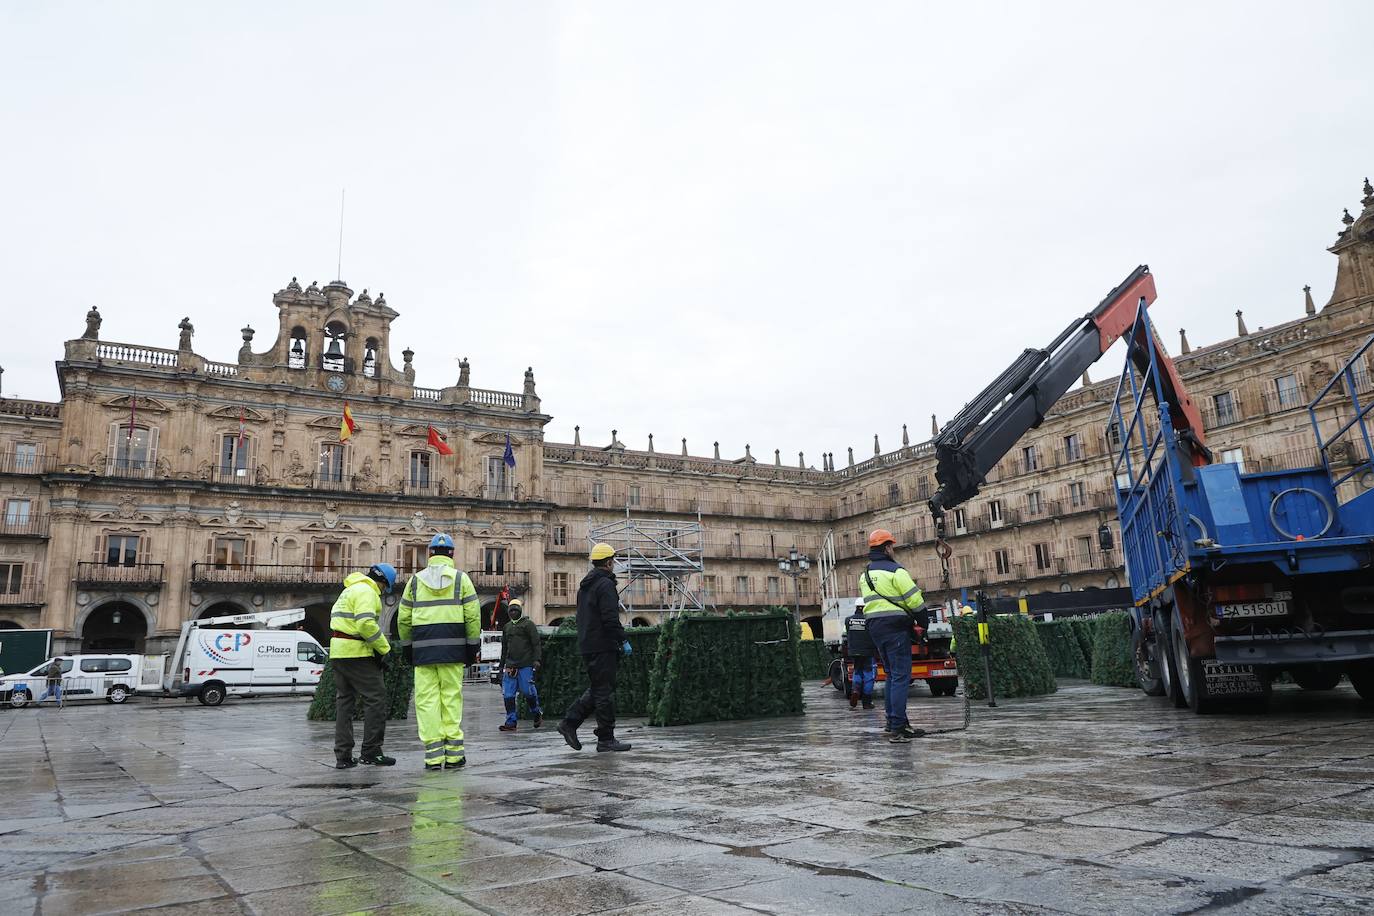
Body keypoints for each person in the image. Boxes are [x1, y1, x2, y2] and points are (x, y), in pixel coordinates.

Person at [398, 533, 481, 771]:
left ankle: (433, 757)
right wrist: (471, 646)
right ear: (452, 554)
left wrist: (407, 648)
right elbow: (473, 616)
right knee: (451, 699)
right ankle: (455, 755)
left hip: (423, 652)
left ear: (430, 554)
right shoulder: (461, 580)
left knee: (426, 702)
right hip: (454, 651)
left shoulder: (414, 582)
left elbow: (403, 619)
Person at [556, 543, 631, 753]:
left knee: (599, 688)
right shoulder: (605, 585)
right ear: (608, 562)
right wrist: (622, 639)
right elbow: (609, 618)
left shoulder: (585, 586)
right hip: (603, 644)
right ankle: (605, 739)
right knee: (603, 693)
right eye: (613, 561)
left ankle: (570, 724)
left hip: (588, 644)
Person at [859, 529, 928, 743]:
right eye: (892, 546)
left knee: (891, 675)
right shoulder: (896, 571)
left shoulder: (866, 574)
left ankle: (893, 722)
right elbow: (915, 601)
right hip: (896, 628)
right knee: (900, 676)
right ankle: (898, 727)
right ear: (887, 547)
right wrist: (923, 625)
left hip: (875, 629)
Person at [329, 563, 398, 769]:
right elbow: (366, 624)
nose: (383, 592)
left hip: (338, 651)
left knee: (344, 703)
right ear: (384, 583)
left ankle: (343, 756)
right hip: (356, 652)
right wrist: (385, 650)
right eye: (385, 588)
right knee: (376, 699)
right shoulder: (367, 592)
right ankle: (371, 751)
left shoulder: (349, 590)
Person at [498, 598, 543, 731]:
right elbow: (504, 648)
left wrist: (537, 660)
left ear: (519, 611)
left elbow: (536, 643)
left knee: (528, 692)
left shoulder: (529, 625)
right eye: (510, 610)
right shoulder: (507, 627)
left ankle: (536, 713)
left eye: (515, 610)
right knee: (508, 695)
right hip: (510, 666)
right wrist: (501, 666)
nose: (512, 613)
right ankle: (511, 722)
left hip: (526, 664)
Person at [844, 597, 876, 710]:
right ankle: (867, 702)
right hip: (868, 652)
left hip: (854, 651)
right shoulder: (869, 620)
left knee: (857, 672)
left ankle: (856, 690)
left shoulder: (848, 620)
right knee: (868, 675)